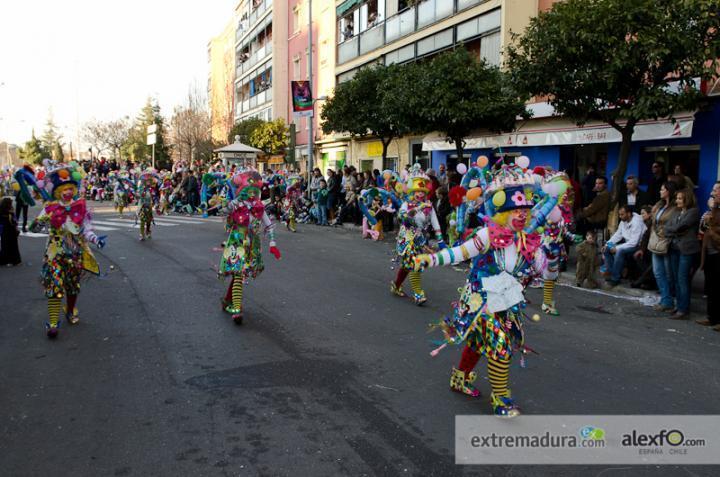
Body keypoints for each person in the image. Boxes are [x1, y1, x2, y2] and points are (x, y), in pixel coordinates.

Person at [414, 157, 559, 417]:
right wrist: (432, 259)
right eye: (516, 210)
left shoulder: (530, 239)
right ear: (503, 210)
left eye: (525, 210)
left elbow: (544, 271)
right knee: (500, 348)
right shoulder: (489, 234)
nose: (521, 215)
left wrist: (549, 257)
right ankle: (501, 399)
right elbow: (460, 252)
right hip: (483, 301)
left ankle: (459, 378)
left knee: (478, 342)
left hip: (508, 301)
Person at [29, 163, 107, 338]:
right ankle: (53, 322)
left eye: (70, 188)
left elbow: (86, 229)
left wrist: (96, 240)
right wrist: (42, 221)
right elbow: (33, 229)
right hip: (54, 254)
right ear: (57, 192)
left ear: (74, 189)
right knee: (54, 286)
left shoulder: (80, 206)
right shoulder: (49, 207)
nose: (67, 192)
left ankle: (70, 310)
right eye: (63, 189)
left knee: (72, 287)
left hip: (74, 253)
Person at [219, 170, 281, 324]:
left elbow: (269, 226)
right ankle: (237, 309)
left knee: (239, 274)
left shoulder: (259, 208)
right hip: (237, 242)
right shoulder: (237, 203)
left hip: (252, 244)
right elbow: (224, 210)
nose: (252, 193)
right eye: (248, 189)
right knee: (239, 274)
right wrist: (227, 202)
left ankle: (228, 301)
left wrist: (273, 243)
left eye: (255, 191)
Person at [390, 164, 445, 305]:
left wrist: (440, 240)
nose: (420, 194)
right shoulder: (406, 204)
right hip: (407, 239)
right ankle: (418, 294)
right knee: (415, 264)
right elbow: (402, 217)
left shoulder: (429, 206)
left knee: (407, 266)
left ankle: (396, 286)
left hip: (420, 239)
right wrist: (416, 209)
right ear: (412, 191)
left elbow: (435, 222)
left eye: (422, 192)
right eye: (417, 192)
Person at [664, 189, 700, 320]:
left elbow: (681, 227)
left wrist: (674, 229)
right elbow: (666, 228)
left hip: (687, 250)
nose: (677, 201)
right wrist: (674, 230)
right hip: (673, 248)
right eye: (677, 198)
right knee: (675, 279)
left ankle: (683, 309)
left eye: (680, 198)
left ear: (687, 199)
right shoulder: (677, 212)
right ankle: (679, 306)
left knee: (682, 279)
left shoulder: (694, 212)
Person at [649, 182, 680, 312]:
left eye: (662, 189)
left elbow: (674, 223)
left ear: (669, 191)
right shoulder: (660, 205)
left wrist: (663, 232)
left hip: (667, 242)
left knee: (669, 274)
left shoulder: (675, 207)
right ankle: (665, 299)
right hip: (656, 242)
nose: (660, 191)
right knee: (658, 272)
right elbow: (653, 221)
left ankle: (672, 300)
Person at [602, 205, 647, 286]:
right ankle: (613, 274)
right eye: (619, 214)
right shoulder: (623, 221)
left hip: (637, 245)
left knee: (620, 251)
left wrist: (617, 247)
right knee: (606, 249)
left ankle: (615, 278)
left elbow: (634, 242)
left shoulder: (637, 222)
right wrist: (608, 244)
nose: (620, 216)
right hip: (628, 244)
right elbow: (618, 235)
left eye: (622, 214)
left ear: (628, 214)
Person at [697, 181, 720, 330]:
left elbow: (713, 228)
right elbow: (705, 226)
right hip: (710, 251)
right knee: (711, 287)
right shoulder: (715, 209)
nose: (714, 193)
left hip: (718, 251)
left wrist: (710, 225)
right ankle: (712, 317)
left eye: (717, 191)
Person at [630, 205, 657, 290]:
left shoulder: (652, 222)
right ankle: (647, 282)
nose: (641, 216)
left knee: (653, 263)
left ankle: (642, 281)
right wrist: (641, 250)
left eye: (643, 213)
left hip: (656, 248)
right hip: (647, 248)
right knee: (638, 256)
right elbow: (645, 237)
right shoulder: (646, 223)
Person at [0, 197, 21, 266]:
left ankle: (6, 260)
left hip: (4, 231)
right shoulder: (11, 213)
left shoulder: (2, 212)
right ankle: (15, 260)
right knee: (14, 246)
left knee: (5, 246)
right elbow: (15, 222)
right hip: (11, 231)